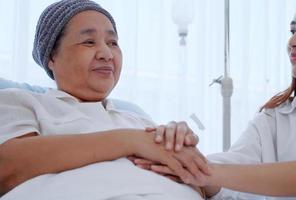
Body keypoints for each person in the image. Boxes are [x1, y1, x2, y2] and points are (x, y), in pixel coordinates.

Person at [136, 0, 296, 199]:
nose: (293, 41)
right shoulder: (274, 116)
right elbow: (231, 171)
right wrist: (179, 159)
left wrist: (200, 171)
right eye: (292, 30)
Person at [0, 0, 209, 199]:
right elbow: (10, 166)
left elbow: (206, 189)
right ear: (52, 57)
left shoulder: (141, 123)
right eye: (89, 42)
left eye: (113, 43)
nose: (107, 54)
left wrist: (185, 153)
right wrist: (132, 141)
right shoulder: (19, 102)